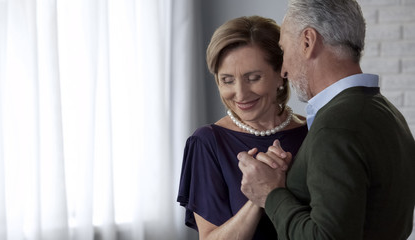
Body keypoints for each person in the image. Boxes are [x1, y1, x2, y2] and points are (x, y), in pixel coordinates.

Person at [238, 0, 415, 239]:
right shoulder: (388, 115)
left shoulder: (336, 126)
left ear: (308, 42)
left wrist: (270, 193)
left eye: (284, 50)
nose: (283, 70)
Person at [176, 16, 307, 239]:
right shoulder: (207, 143)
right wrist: (261, 195)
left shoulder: (311, 132)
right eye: (227, 80)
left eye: (253, 78)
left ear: (281, 75)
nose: (240, 93)